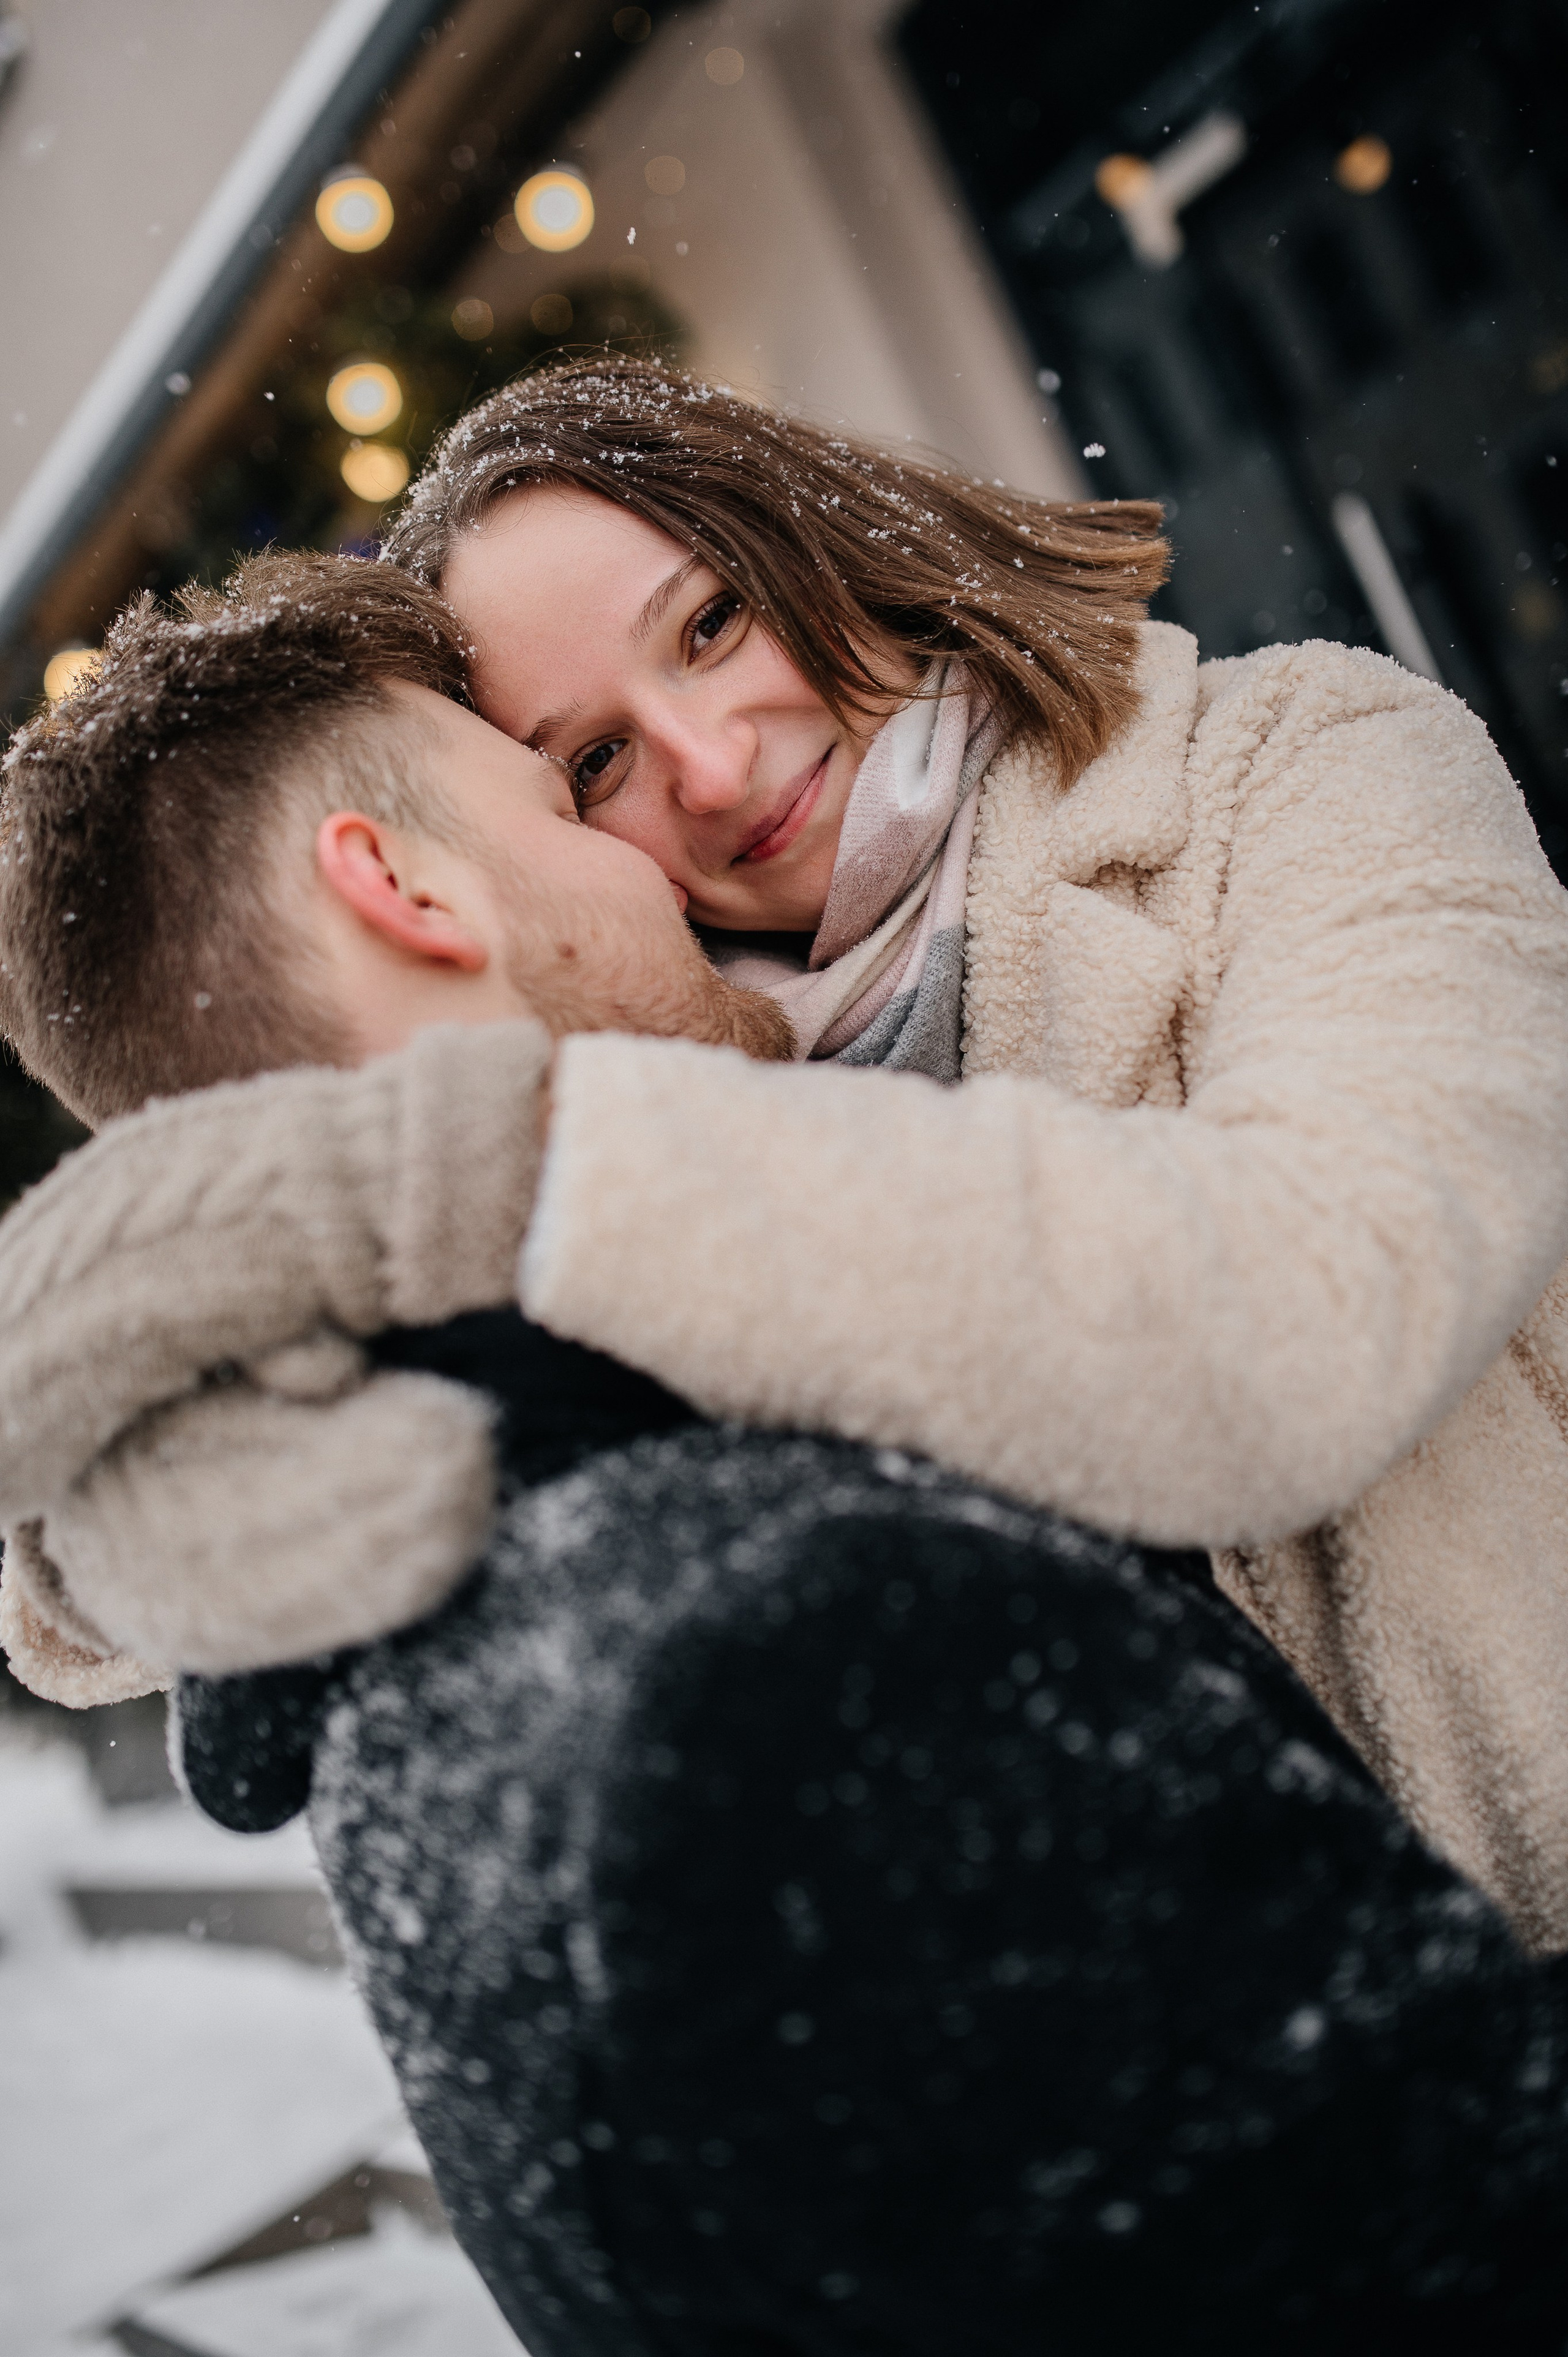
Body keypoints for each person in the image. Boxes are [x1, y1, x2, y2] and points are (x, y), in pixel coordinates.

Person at [2, 537, 1568, 2345]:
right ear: (404, 888)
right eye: (568, 784)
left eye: (716, 617)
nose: (685, 825)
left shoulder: (424, 1654)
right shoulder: (796, 1634)